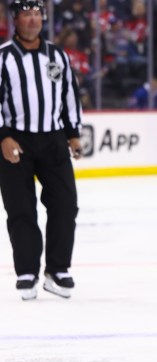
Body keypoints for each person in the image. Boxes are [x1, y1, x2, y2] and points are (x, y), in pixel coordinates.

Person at [0, 0, 83, 300]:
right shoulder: (4, 57)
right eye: (27, 15)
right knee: (20, 209)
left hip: (53, 140)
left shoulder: (58, 55)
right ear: (16, 20)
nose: (33, 20)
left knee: (65, 204)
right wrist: (3, 137)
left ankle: (58, 269)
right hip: (16, 141)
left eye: (37, 14)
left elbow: (69, 95)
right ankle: (27, 272)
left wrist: (73, 133)